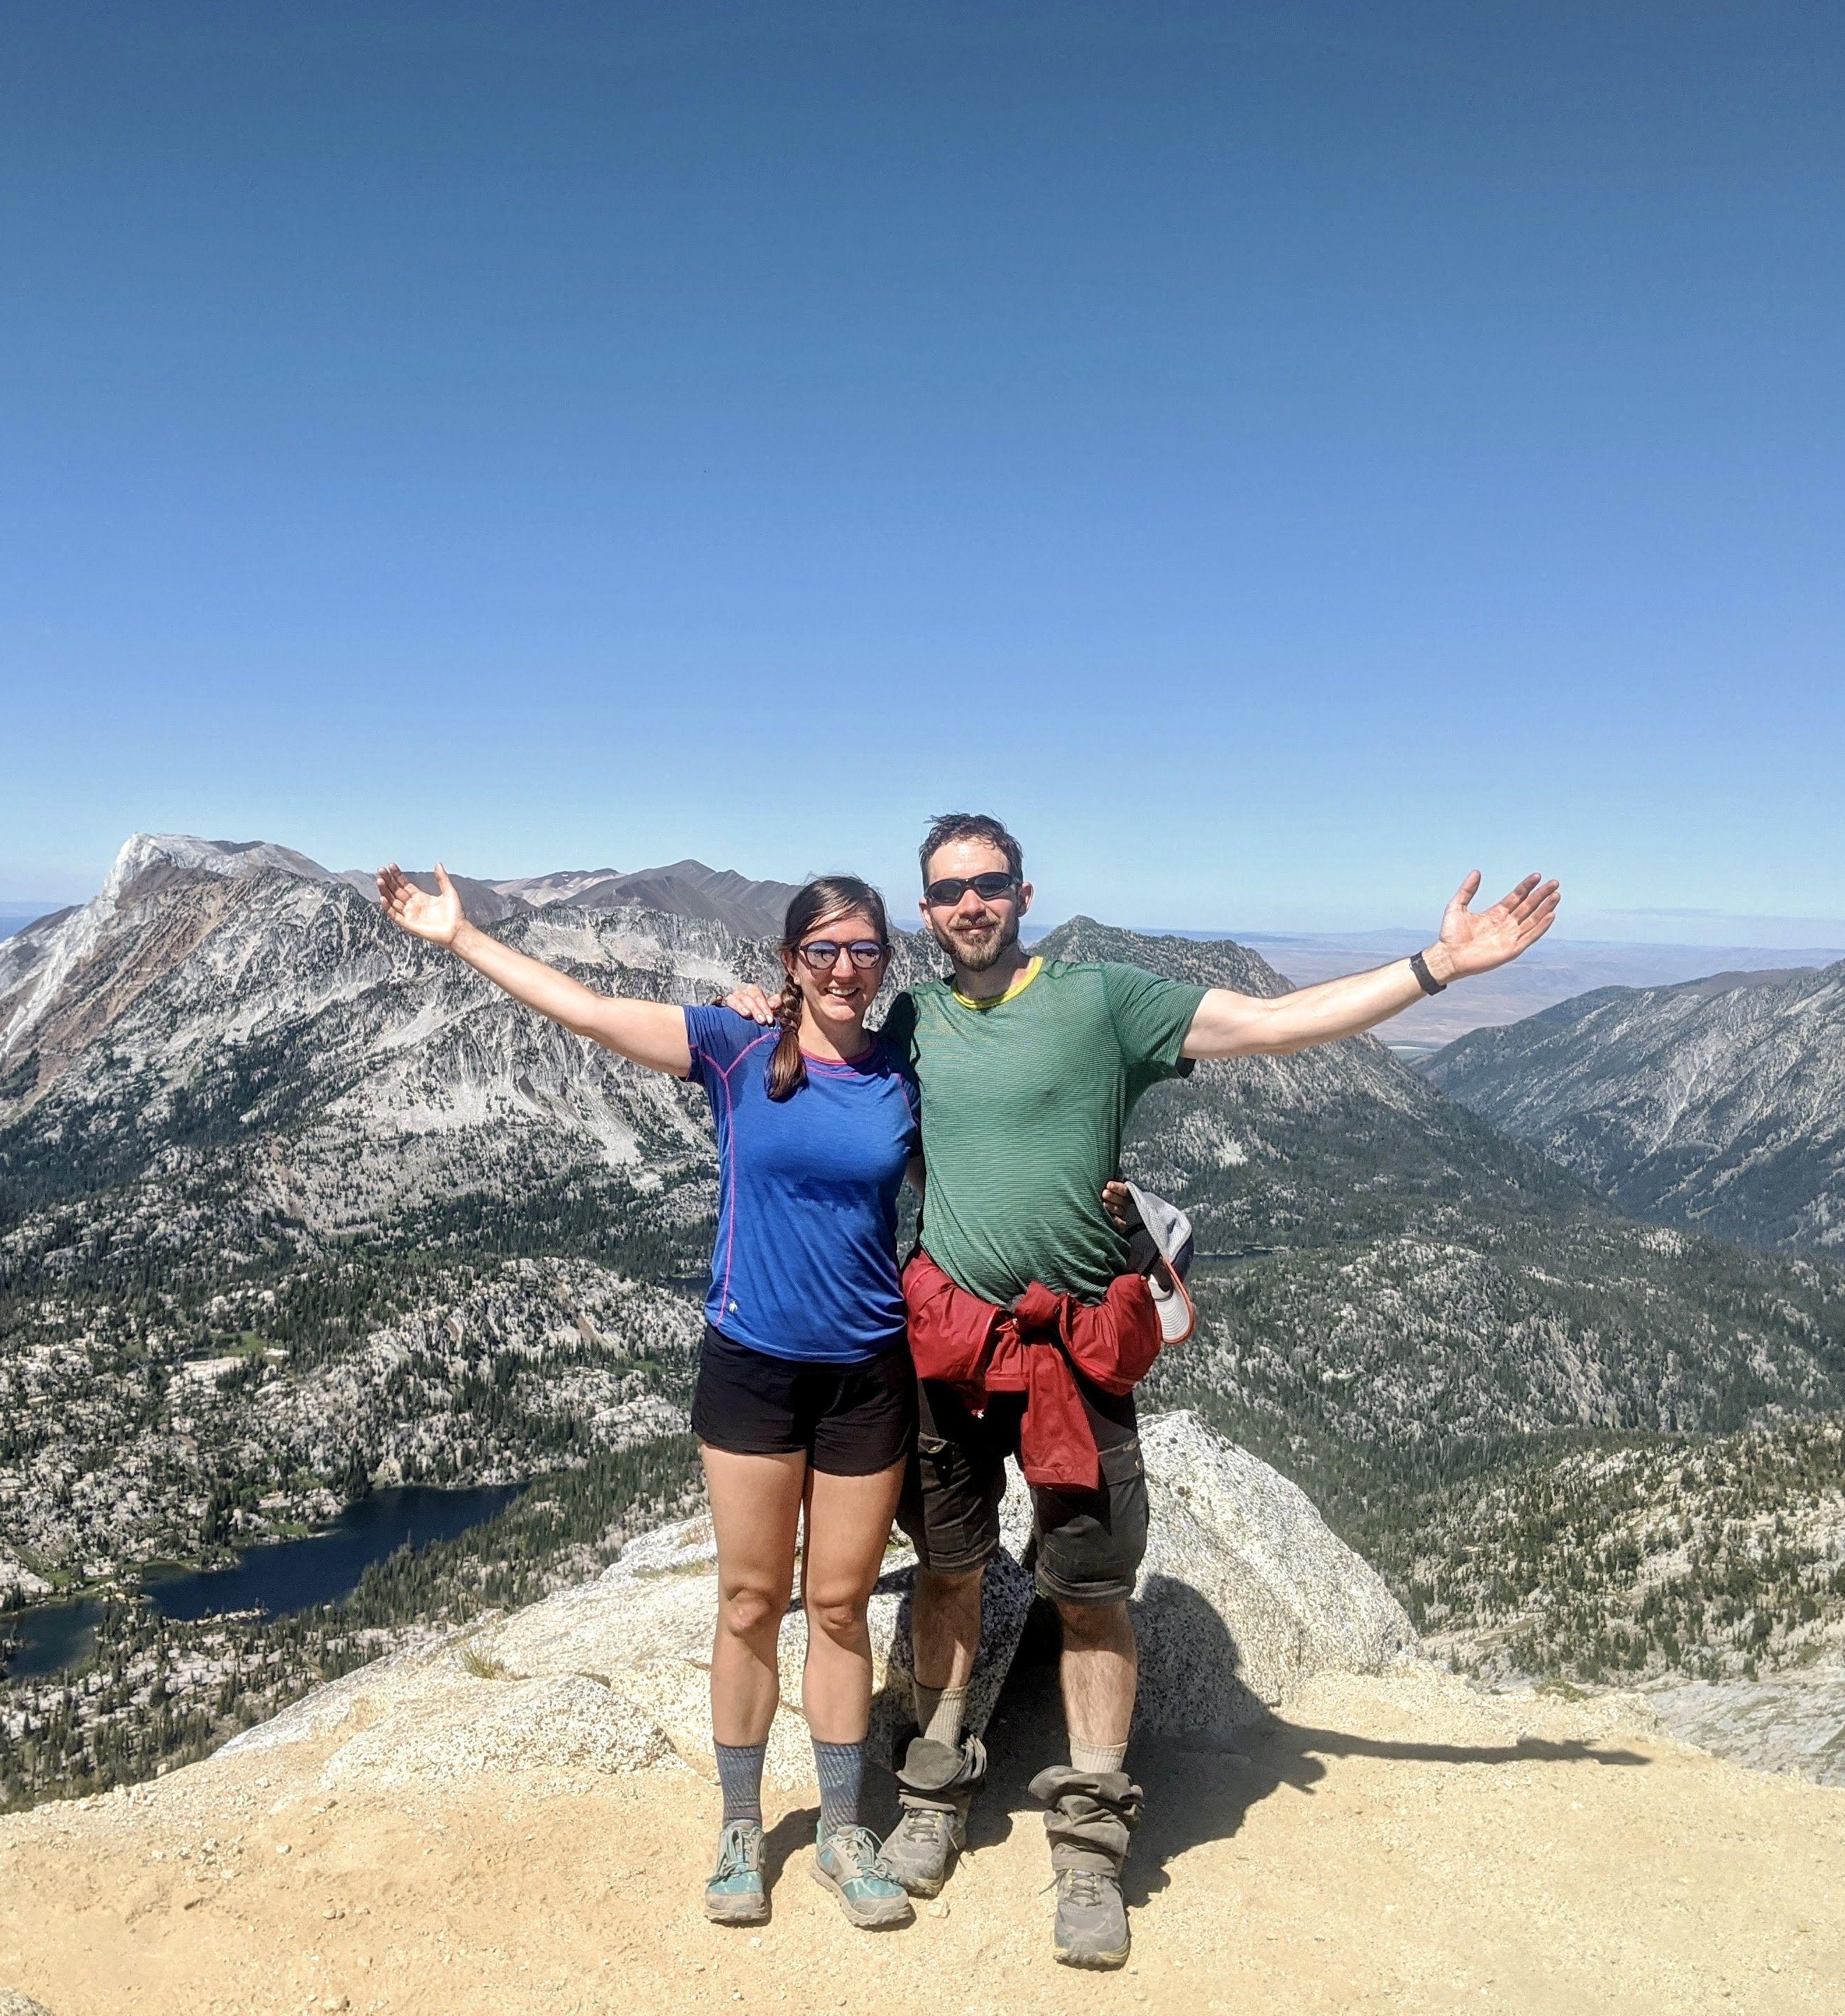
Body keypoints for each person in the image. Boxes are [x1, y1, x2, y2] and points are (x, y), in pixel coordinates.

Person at [725, 811, 1560, 1969]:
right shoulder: (906, 1017)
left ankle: (1091, 1848)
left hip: (1074, 1352)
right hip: (957, 1349)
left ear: (1024, 892)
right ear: (925, 914)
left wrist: (1437, 968)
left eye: (989, 883)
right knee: (951, 1571)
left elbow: (1271, 1026)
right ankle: (932, 1793)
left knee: (1090, 1590)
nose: (969, 904)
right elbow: (817, 1037)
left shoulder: (1105, 999)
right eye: (948, 890)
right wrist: (767, 999)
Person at [377, 863, 919, 1932]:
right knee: (751, 1601)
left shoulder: (906, 1067)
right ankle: (740, 1826)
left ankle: (845, 1826)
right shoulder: (733, 1047)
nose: (846, 970)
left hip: (869, 1371)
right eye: (824, 951)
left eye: (864, 951)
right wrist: (460, 938)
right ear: (789, 962)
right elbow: (586, 1011)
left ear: (886, 961)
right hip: (752, 1364)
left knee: (844, 1606)